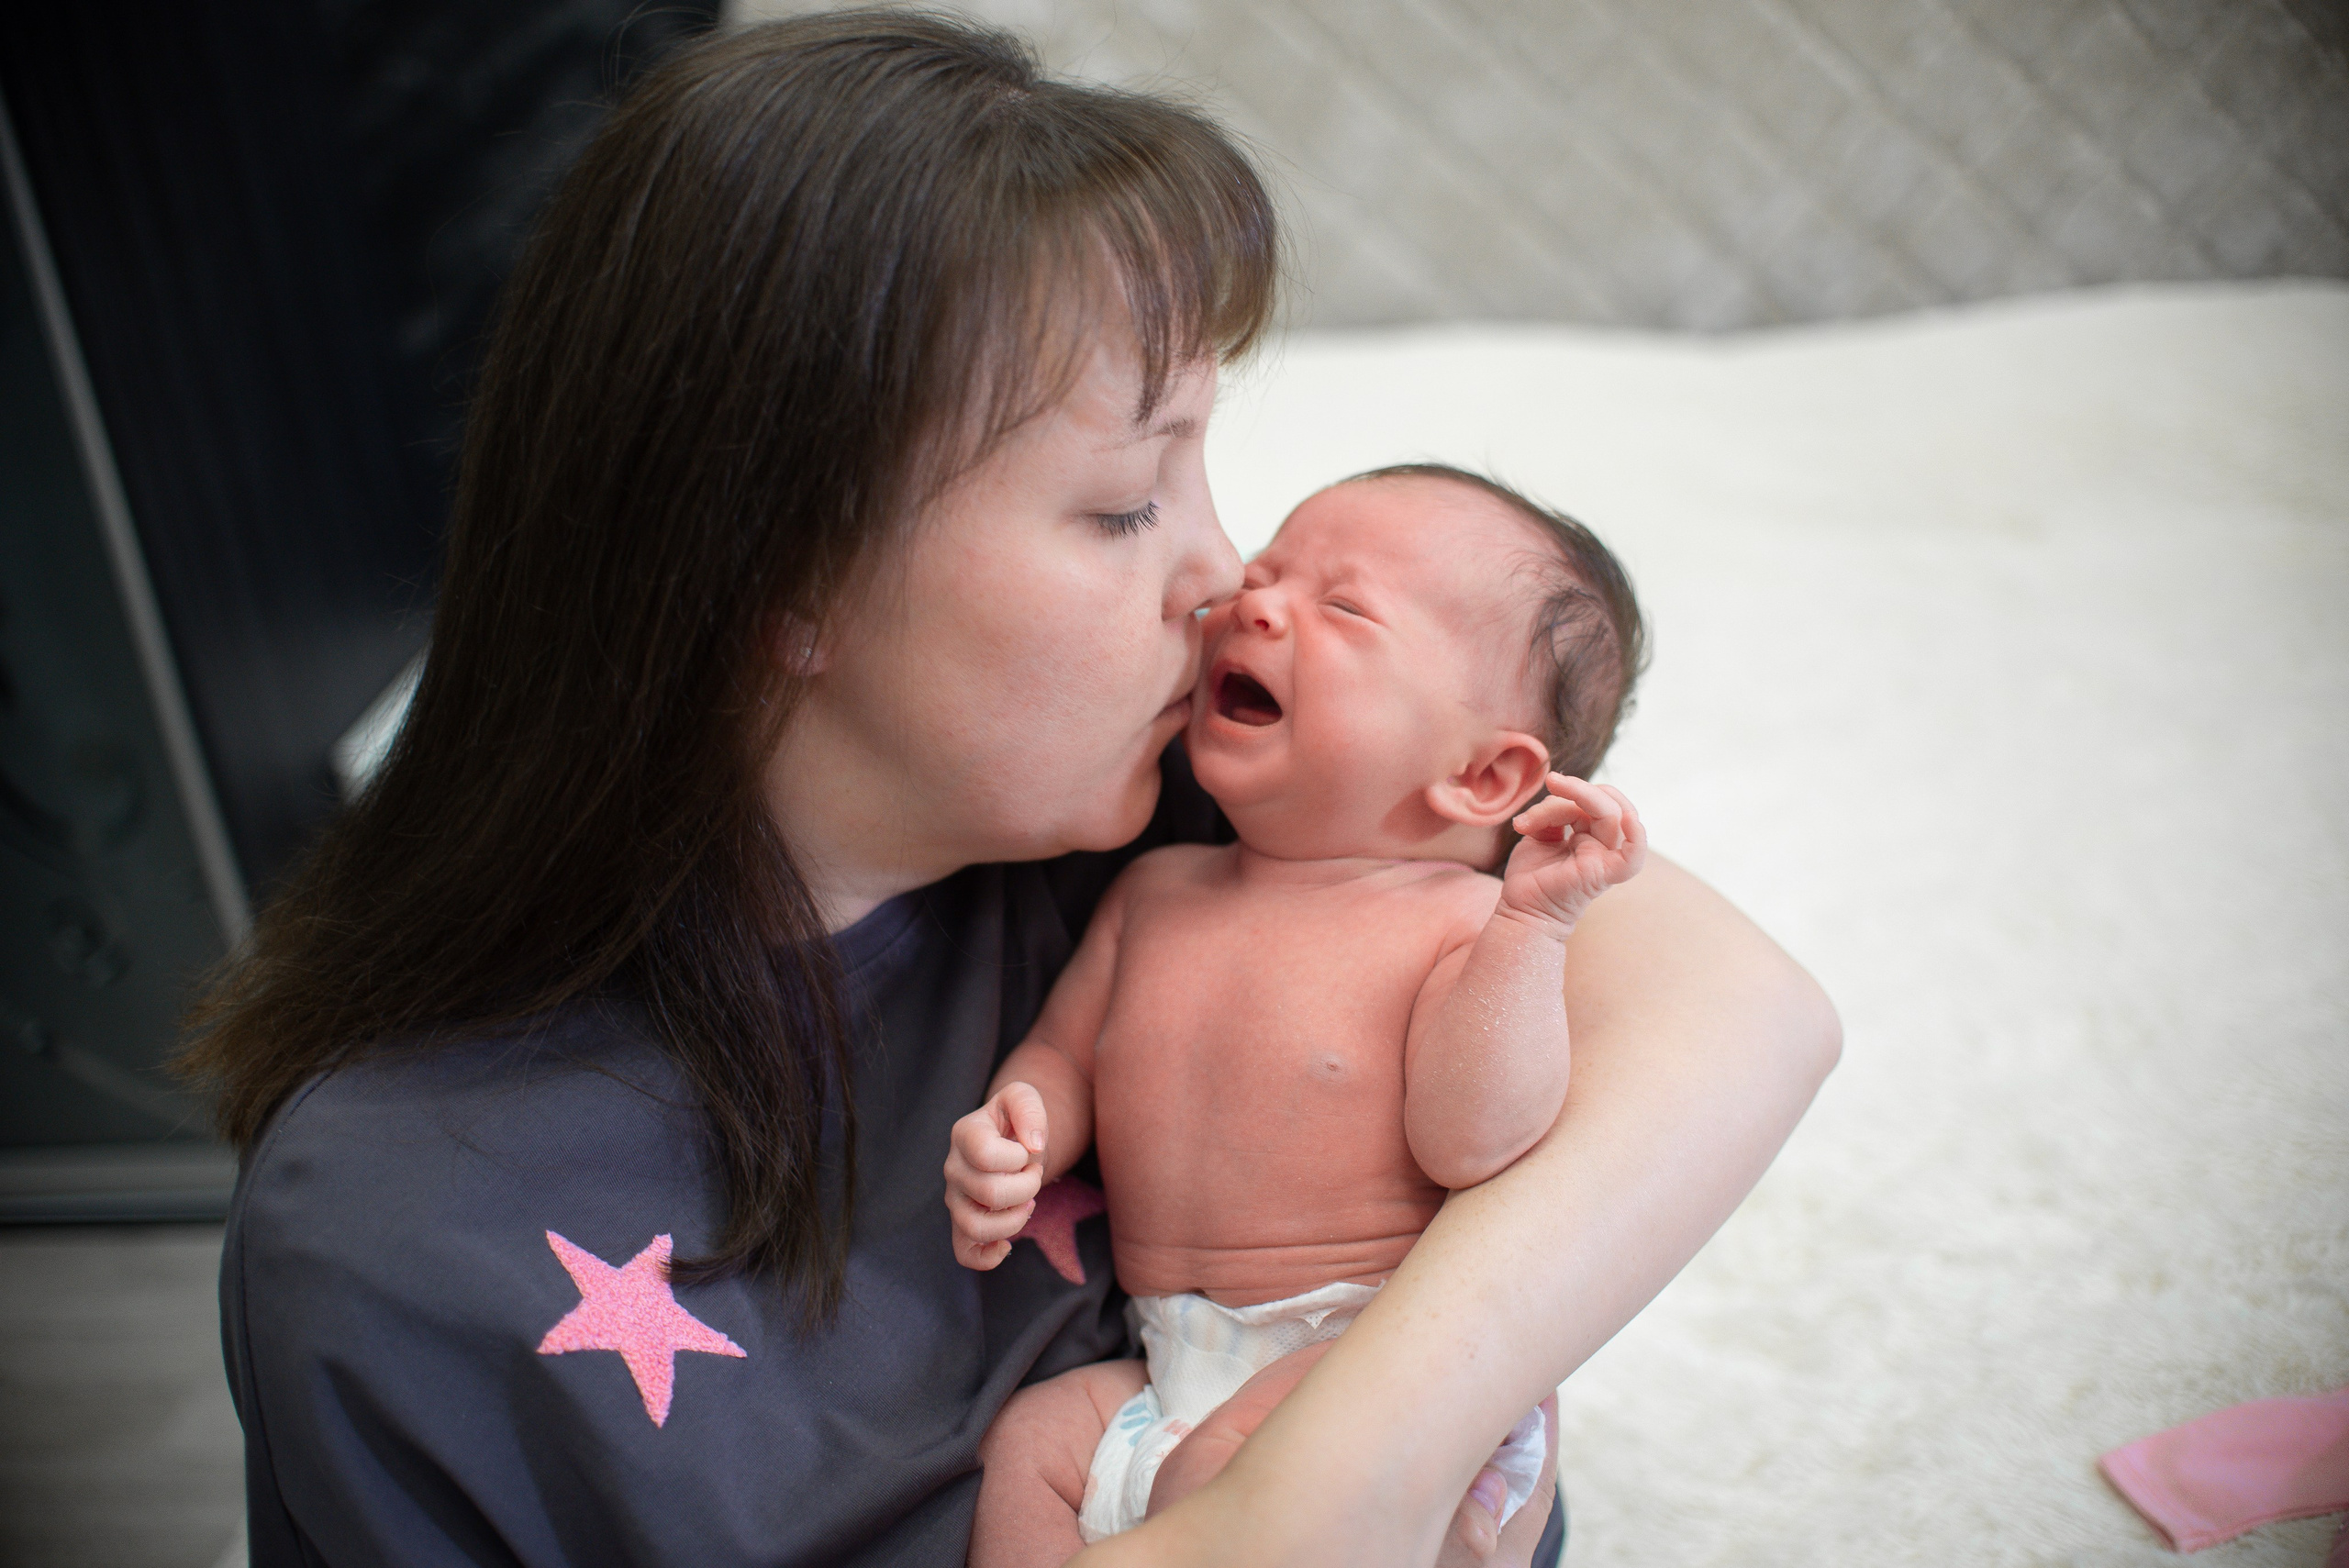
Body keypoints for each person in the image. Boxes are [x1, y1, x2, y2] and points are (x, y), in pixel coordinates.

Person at [178, 14, 1839, 1568]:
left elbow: (1746, 1008)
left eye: (1205, 461)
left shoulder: (1184, 801)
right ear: (782, 574)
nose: (1224, 572)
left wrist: (1341, 1467)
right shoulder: (396, 1245)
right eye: (1126, 503)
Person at [948, 466, 1648, 1565]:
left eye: (1346, 607)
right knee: (1031, 1441)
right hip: (1167, 1360)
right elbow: (1063, 1054)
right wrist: (1018, 1128)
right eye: (1267, 573)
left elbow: (1479, 1137)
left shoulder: (1463, 926)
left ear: (1482, 775)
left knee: (1219, 1486)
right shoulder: (1155, 890)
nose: (1254, 603)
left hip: (1375, 1367)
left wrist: (1535, 929)